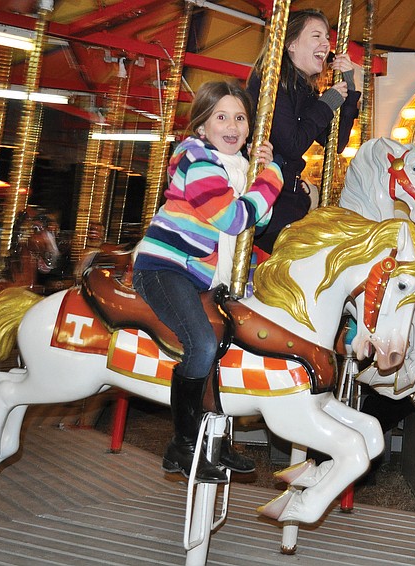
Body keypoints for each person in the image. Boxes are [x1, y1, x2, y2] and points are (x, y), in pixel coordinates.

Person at [132, 81, 284, 483]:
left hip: (198, 272)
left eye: (240, 118)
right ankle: (181, 446)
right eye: (221, 117)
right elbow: (234, 219)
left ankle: (214, 441)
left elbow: (257, 222)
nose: (232, 125)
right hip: (165, 267)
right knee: (200, 342)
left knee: (228, 339)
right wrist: (271, 179)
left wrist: (258, 175)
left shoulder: (233, 167)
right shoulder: (197, 161)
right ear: (202, 126)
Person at [246, 8, 362, 254]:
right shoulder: (271, 81)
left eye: (327, 39)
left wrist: (350, 92)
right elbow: (292, 143)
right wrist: (325, 105)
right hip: (267, 199)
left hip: (289, 197)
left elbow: (335, 144)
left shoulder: (304, 89)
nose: (326, 44)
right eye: (316, 36)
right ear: (291, 44)